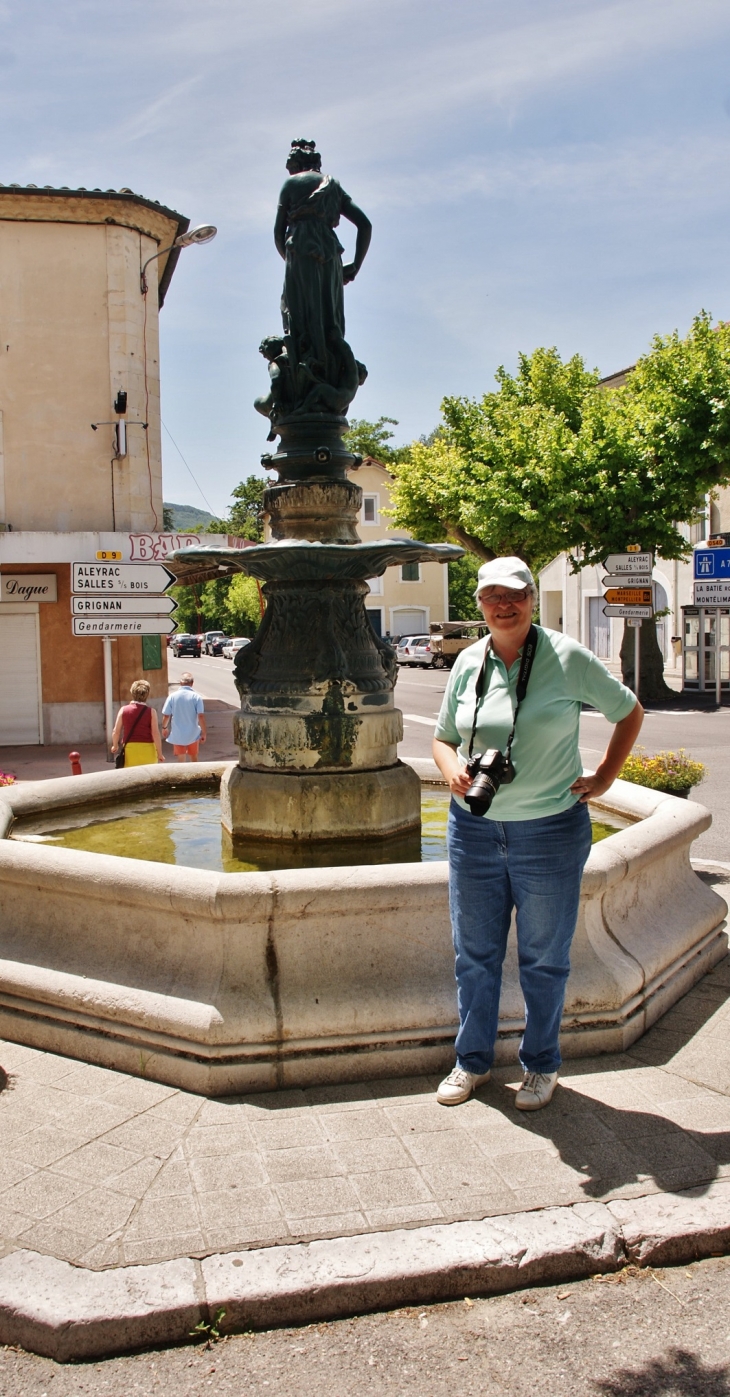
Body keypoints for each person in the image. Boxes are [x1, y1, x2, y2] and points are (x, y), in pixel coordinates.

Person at [432, 557, 644, 1112]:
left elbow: (629, 711)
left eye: (514, 595)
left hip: (549, 831)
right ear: (478, 604)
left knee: (543, 958)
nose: (504, 606)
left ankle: (541, 1065)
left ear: (530, 598)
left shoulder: (567, 656)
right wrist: (451, 767)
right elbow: (443, 736)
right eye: (491, 597)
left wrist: (604, 777)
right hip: (474, 830)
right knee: (473, 954)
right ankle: (471, 1061)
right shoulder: (468, 662)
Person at [111, 680, 164, 767]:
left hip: (130, 750)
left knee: (131, 777)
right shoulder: (151, 712)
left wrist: (115, 745)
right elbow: (155, 733)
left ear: (132, 693)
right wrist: (160, 753)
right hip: (148, 749)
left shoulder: (123, 710)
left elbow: (116, 731)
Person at [161, 673, 206, 762]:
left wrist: (164, 728)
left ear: (180, 683)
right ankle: (195, 775)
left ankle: (183, 775)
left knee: (181, 760)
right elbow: (200, 716)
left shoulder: (172, 696)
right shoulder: (196, 697)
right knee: (194, 758)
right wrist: (204, 733)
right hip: (193, 734)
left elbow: (166, 715)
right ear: (192, 683)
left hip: (178, 733)